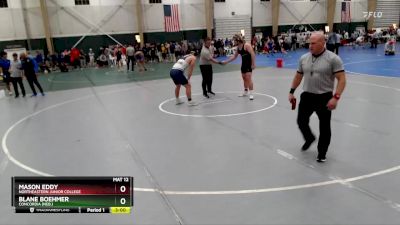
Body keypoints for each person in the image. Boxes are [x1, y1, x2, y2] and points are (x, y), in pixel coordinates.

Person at [288, 32, 346, 162]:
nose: (310, 46)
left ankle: (322, 152)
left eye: (313, 43)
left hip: (324, 97)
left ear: (322, 43)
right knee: (301, 122)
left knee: (324, 127)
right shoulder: (304, 58)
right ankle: (309, 138)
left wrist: (336, 97)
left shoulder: (333, 59)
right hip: (307, 96)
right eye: (309, 43)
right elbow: (298, 76)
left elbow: (342, 79)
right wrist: (291, 91)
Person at [222, 34, 256, 100]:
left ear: (238, 40)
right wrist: (226, 61)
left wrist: (253, 64)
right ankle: (245, 91)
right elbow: (234, 57)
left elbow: (252, 54)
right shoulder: (238, 48)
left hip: (249, 64)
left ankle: (251, 94)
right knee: (244, 78)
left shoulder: (246, 45)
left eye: (234, 40)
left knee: (248, 78)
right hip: (243, 65)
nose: (233, 42)